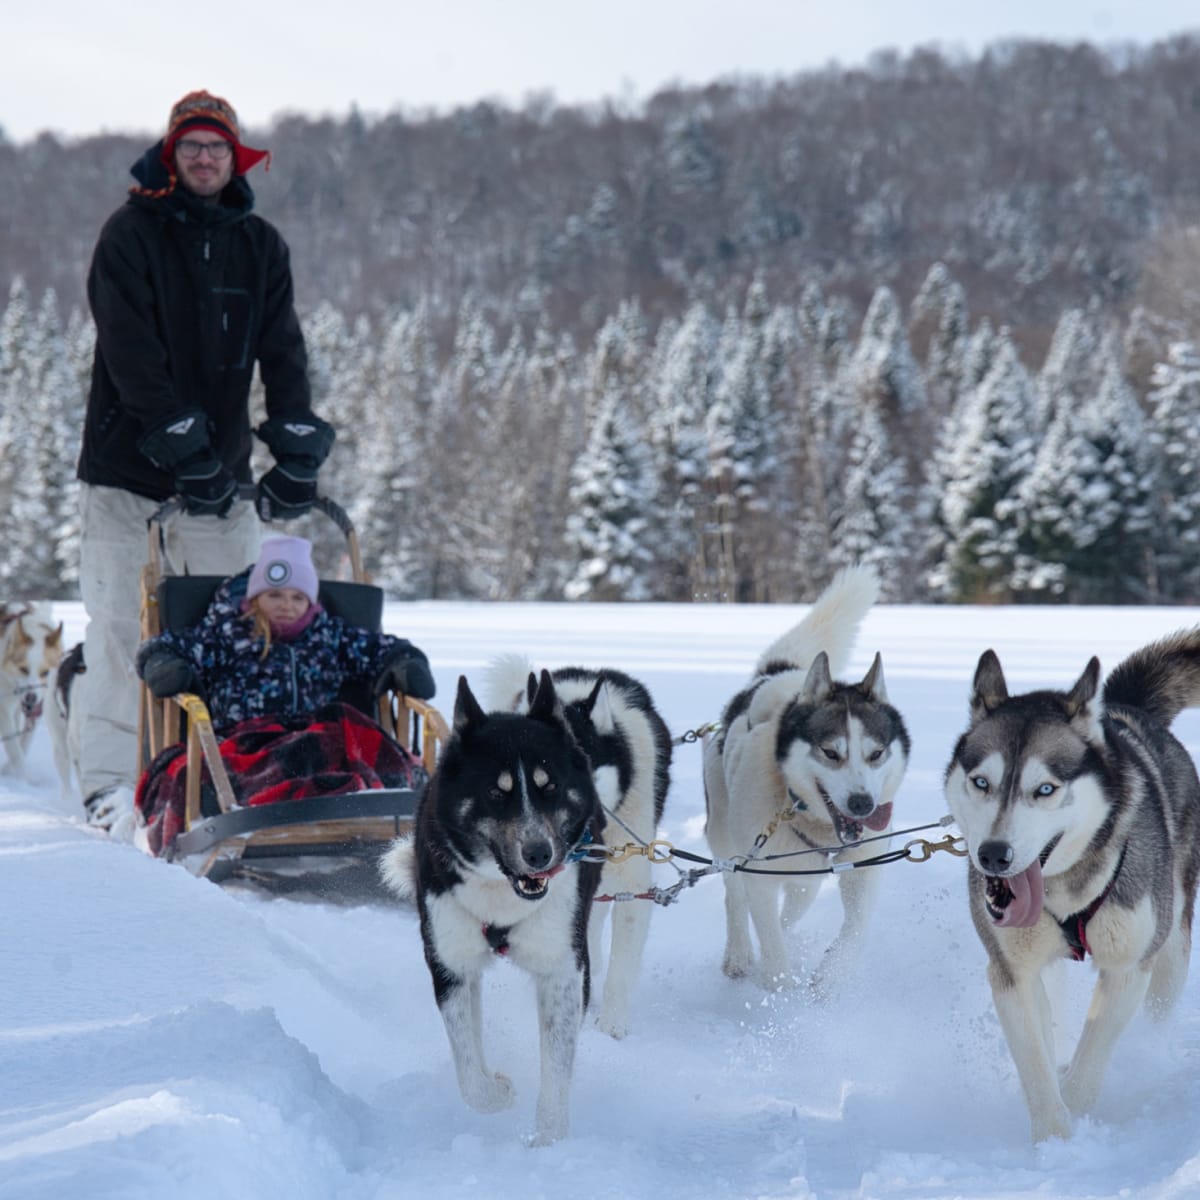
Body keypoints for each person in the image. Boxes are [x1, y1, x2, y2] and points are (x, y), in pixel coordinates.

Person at [75, 89, 335, 829]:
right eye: (190, 145)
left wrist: (293, 441)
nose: (203, 157)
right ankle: (106, 789)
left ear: (235, 157)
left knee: (229, 633)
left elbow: (283, 351)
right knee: (124, 628)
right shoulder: (129, 234)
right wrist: (174, 436)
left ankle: (217, 778)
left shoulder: (261, 245)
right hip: (127, 474)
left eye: (216, 146)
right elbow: (129, 348)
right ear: (170, 154)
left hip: (219, 485)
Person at [133, 537, 436, 855]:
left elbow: (380, 647)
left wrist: (406, 663)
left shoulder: (328, 635)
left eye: (297, 597)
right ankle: (283, 801)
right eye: (274, 594)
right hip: (248, 737)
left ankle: (369, 803)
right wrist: (164, 663)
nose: (286, 605)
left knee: (341, 736)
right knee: (286, 756)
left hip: (315, 731)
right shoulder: (227, 633)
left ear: (310, 601)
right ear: (255, 596)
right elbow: (170, 644)